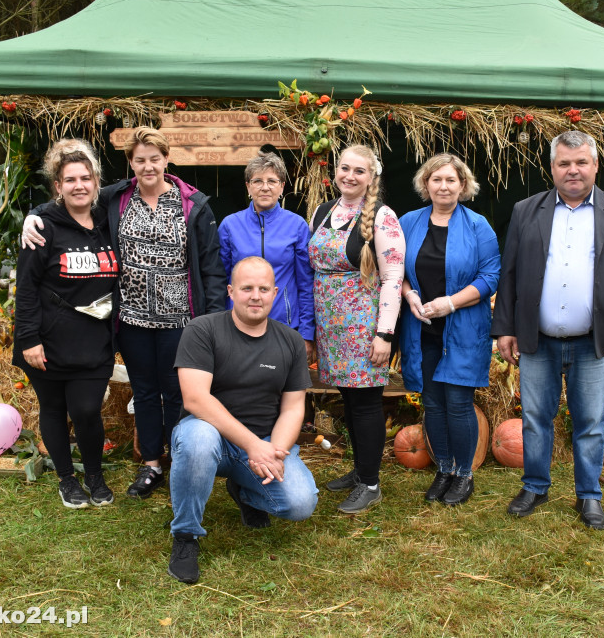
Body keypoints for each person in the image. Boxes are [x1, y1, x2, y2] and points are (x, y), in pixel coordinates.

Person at [22, 126, 227, 499]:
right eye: (139, 160)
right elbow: (69, 204)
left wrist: (212, 323)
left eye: (154, 158)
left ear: (167, 159)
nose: (148, 166)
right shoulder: (117, 199)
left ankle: (182, 461)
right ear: (130, 164)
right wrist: (32, 215)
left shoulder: (192, 205)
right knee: (145, 393)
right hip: (131, 319)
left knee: (179, 394)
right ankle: (150, 464)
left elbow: (211, 269)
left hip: (180, 321)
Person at [491, 130, 604, 529]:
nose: (573, 170)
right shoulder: (527, 210)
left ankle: (589, 495)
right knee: (534, 417)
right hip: (537, 339)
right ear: (552, 168)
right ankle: (535, 486)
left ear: (596, 165)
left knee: (591, 422)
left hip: (591, 342)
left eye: (581, 162)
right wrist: (505, 328)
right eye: (564, 163)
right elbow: (508, 274)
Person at [167, 257, 317, 584]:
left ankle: (245, 493)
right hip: (210, 439)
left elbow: (293, 408)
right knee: (198, 440)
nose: (255, 296)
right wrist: (252, 446)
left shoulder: (290, 341)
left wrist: (275, 452)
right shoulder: (203, 329)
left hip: (264, 442)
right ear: (231, 292)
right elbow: (195, 398)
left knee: (301, 503)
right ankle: (186, 536)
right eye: (246, 288)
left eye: (263, 289)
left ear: (275, 293)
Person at [13, 139, 119, 509]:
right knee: (54, 409)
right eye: (69, 179)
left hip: (95, 338)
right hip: (47, 338)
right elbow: (25, 289)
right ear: (57, 186)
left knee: (88, 409)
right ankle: (66, 479)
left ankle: (94, 474)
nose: (79, 185)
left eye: (86, 178)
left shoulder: (109, 220)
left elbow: (135, 182)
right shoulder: (43, 227)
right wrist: (28, 339)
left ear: (96, 182)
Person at [398, 154, 500, 506]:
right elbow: (395, 271)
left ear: (463, 185)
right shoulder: (408, 222)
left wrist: (451, 303)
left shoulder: (477, 226)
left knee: (458, 403)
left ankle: (464, 474)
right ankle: (443, 468)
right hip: (421, 327)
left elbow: (490, 277)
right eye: (436, 179)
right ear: (425, 185)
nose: (443, 186)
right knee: (433, 403)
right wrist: (409, 295)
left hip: (463, 327)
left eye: (450, 180)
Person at [309, 144, 405, 514]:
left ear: (372, 177)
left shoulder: (383, 216)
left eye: (359, 171)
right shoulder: (322, 211)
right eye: (344, 168)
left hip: (364, 328)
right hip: (331, 329)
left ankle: (370, 483)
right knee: (348, 400)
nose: (350, 176)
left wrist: (384, 334)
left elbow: (394, 278)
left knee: (365, 404)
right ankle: (361, 469)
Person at [218, 151, 315, 353]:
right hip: (238, 324)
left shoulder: (296, 225)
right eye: (257, 181)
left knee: (282, 383)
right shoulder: (230, 225)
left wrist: (306, 332)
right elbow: (220, 279)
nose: (265, 187)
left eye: (272, 181)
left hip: (285, 325)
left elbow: (305, 282)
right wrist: (220, 323)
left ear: (281, 187)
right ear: (248, 186)